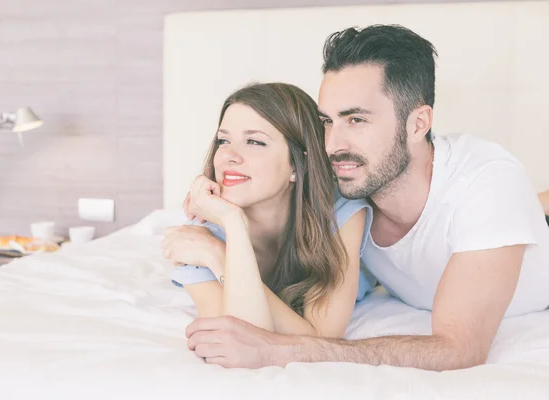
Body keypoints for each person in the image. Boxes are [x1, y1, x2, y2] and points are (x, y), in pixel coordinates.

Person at [183, 25, 549, 371]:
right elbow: (267, 175)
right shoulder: (349, 180)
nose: (333, 144)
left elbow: (458, 349)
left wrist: (280, 350)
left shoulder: (487, 182)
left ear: (418, 124)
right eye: (327, 121)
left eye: (356, 120)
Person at [161, 82, 376, 338]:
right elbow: (242, 337)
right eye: (223, 140)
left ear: (299, 164)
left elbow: (323, 338)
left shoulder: (340, 210)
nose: (229, 155)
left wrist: (219, 257)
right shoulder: (200, 239)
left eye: (254, 141)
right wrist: (232, 223)